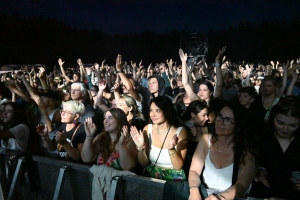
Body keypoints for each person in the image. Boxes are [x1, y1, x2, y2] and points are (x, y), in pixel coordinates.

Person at [188, 102, 256, 200]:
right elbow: (194, 171)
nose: (220, 121)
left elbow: (241, 185)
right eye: (220, 116)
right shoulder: (205, 140)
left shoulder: (247, 151)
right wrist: (194, 191)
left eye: (227, 120)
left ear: (238, 126)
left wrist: (220, 198)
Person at [251, 97, 300, 199]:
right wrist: (257, 172)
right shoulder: (260, 137)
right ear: (273, 116)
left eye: (293, 125)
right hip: (263, 195)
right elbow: (248, 165)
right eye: (280, 123)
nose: (285, 129)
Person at [130, 96, 188, 181]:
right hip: (152, 177)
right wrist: (140, 148)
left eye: (158, 111)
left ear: (167, 112)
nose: (153, 114)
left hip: (173, 179)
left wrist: (171, 150)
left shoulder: (180, 131)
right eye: (151, 110)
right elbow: (143, 163)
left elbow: (178, 166)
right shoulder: (147, 128)